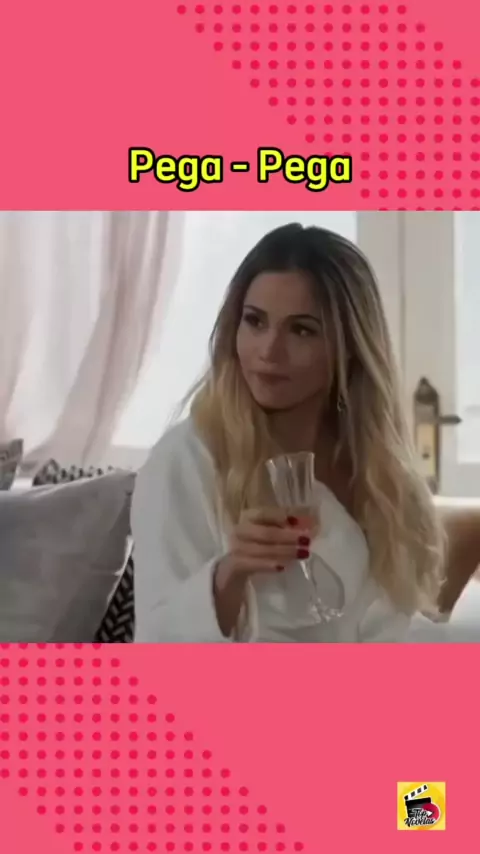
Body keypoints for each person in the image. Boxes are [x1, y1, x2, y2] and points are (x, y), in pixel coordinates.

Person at [132, 223, 445, 643]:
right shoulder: (186, 460)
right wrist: (230, 573)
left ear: (349, 345)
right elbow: (156, 646)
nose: (269, 351)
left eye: (301, 330)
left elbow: (394, 622)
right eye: (255, 322)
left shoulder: (376, 468)